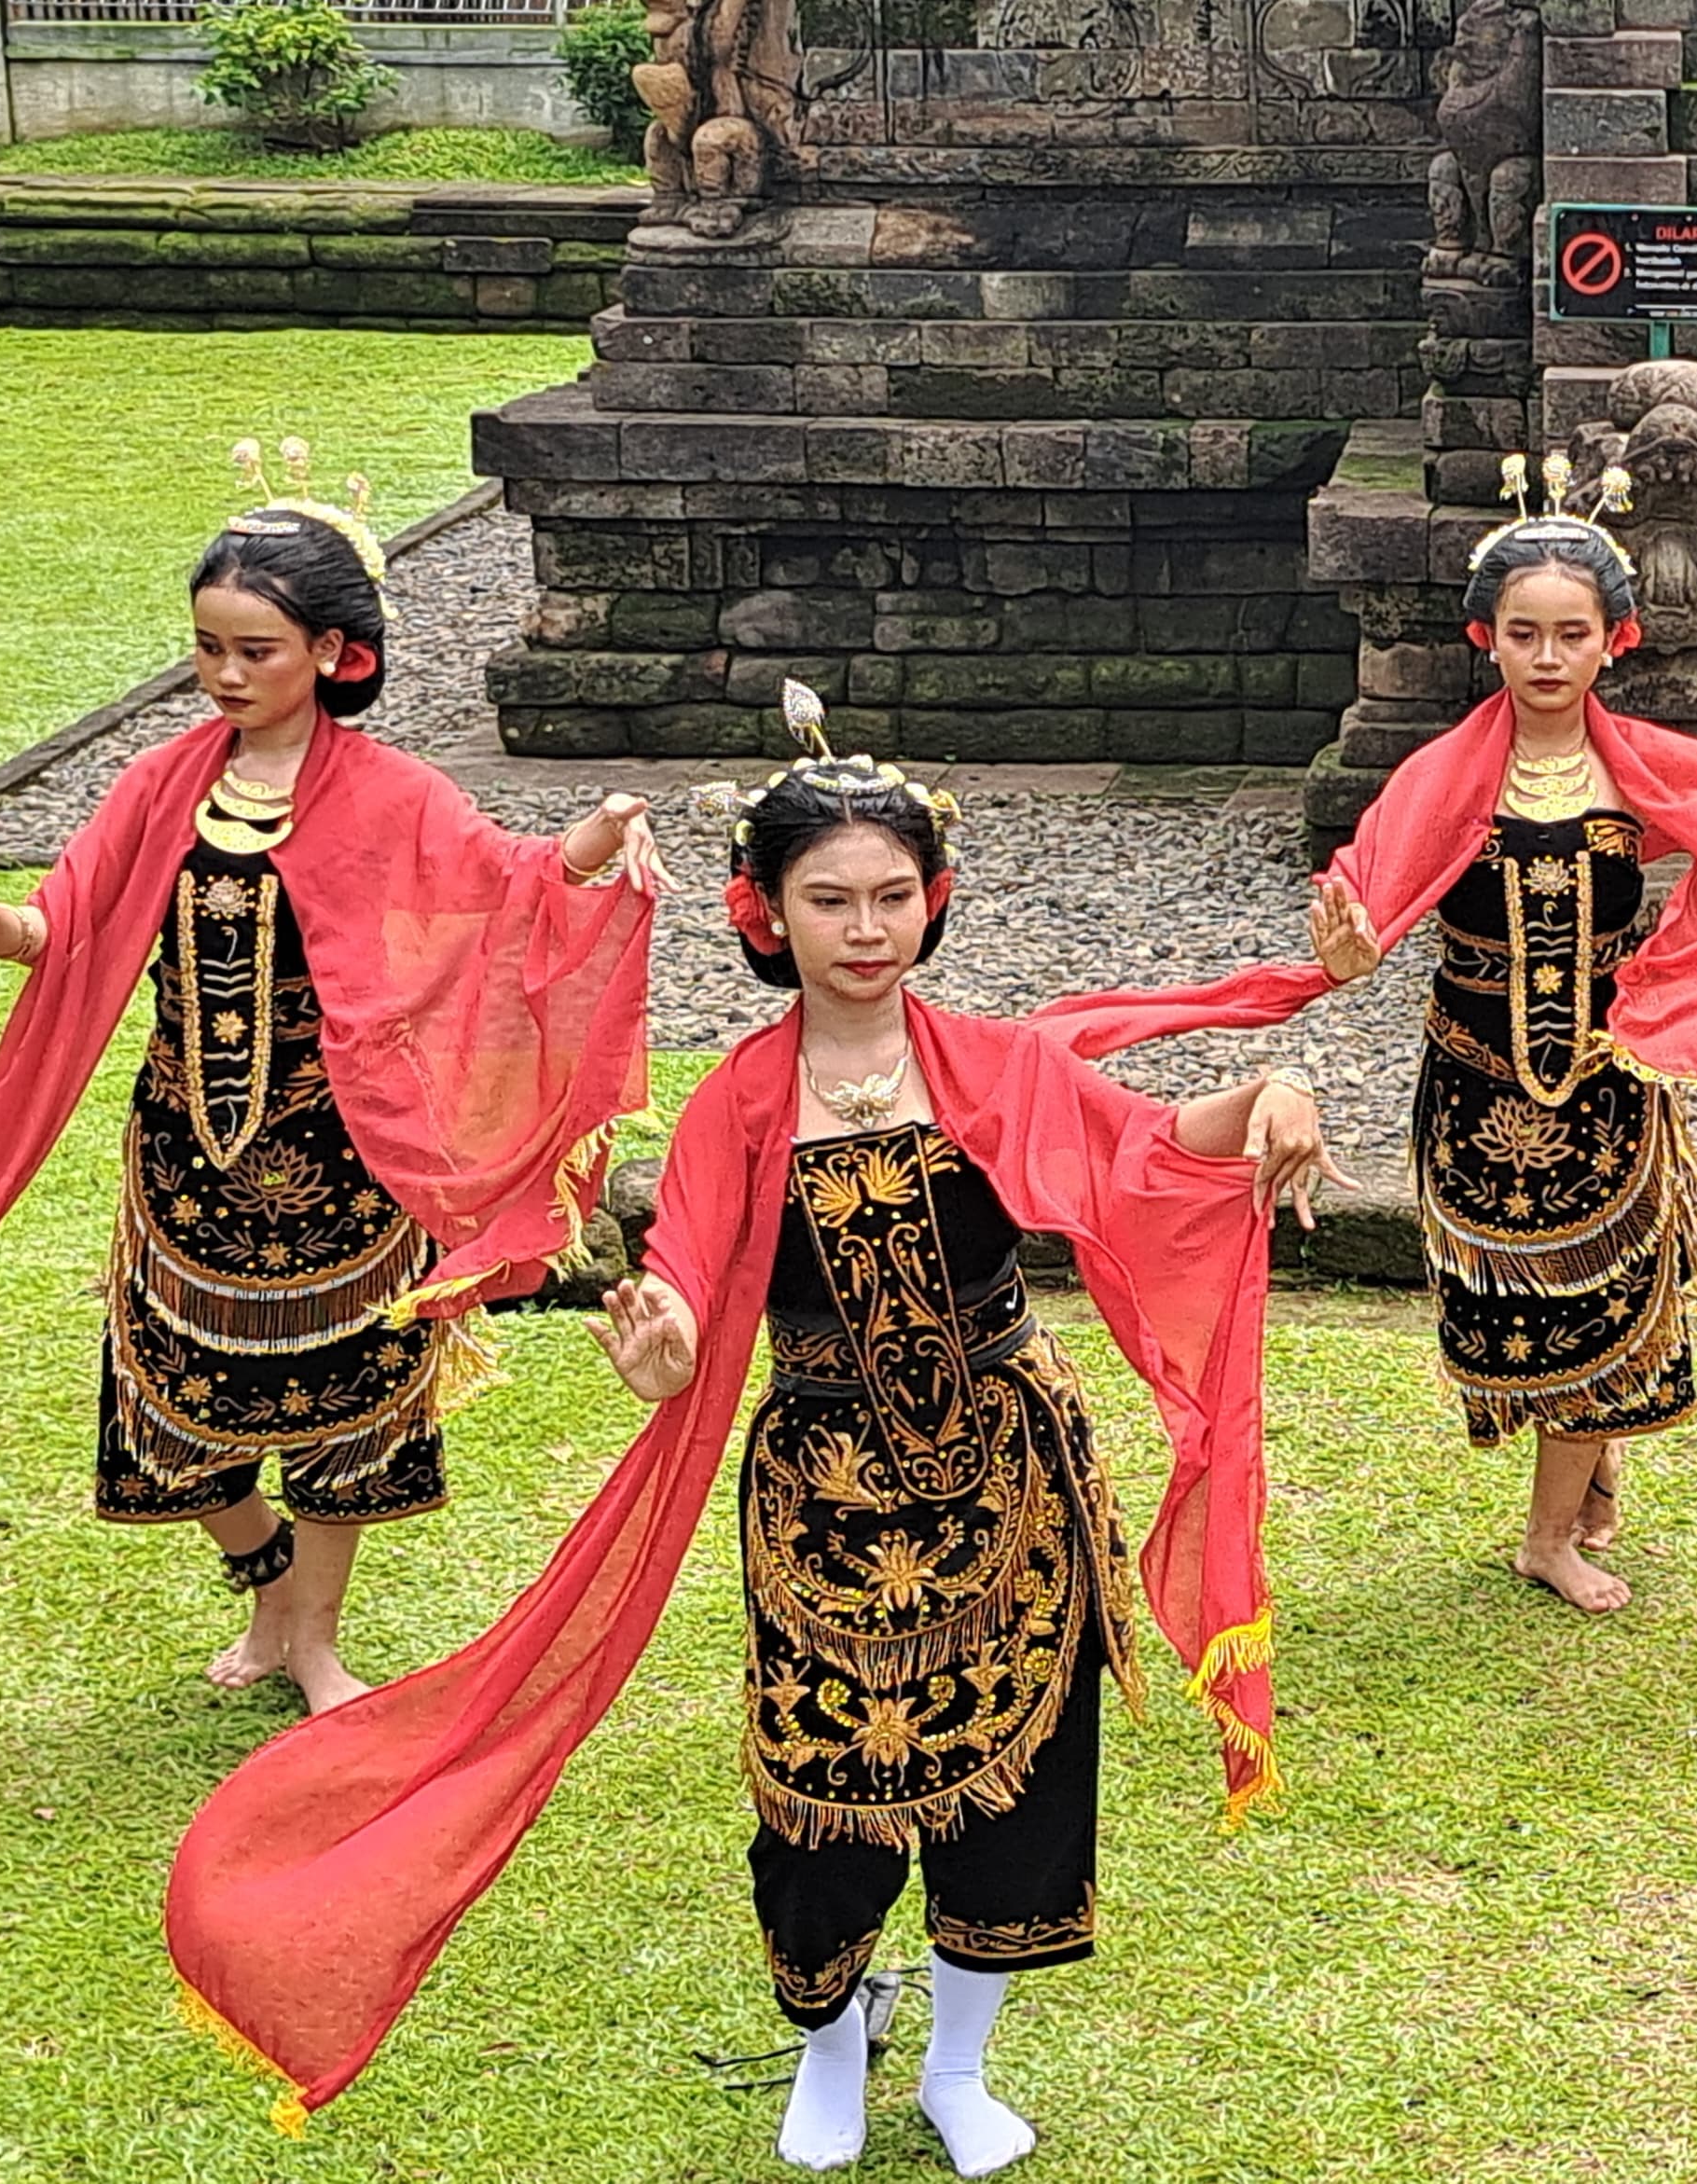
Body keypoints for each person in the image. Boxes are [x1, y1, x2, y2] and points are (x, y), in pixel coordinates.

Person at [167, 689, 1333, 2168]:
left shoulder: (995, 1062)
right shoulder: (737, 1103)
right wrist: (658, 1346)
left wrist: (1275, 1087)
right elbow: (678, 1292)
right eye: (829, 898)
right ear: (764, 912)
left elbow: (1151, 1151)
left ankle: (959, 2069)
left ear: (936, 901)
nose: (866, 926)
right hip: (825, 1503)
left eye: (893, 896)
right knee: (822, 1796)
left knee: (1026, 1788)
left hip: (1017, 1478)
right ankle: (831, 2050)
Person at [1035, 486, 1697, 1612]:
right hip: (1472, 1085)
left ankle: (1552, 1533)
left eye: (1572, 632)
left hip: (1605, 1083)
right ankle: (1577, 1487)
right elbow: (1361, 915)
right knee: (1516, 1311)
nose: (1547, 655)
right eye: (1523, 631)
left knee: (1607, 1294)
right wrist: (1347, 952)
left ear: (1614, 640)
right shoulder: (1438, 779)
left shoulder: (1638, 767)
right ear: (1483, 637)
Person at [0, 445, 658, 1712]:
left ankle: (316, 1639)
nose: (225, 674)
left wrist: (591, 843)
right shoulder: (162, 781)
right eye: (209, 647)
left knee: (346, 1398)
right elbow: (63, 924)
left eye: (255, 651)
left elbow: (503, 891)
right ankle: (266, 1573)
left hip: (345, 1155)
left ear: (332, 653)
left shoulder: (391, 792)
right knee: (173, 1398)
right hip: (183, 1153)